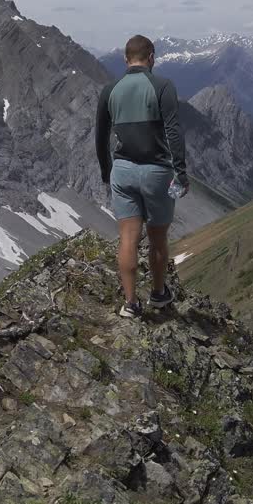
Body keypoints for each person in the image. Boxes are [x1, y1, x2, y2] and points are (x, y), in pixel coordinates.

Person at [95, 34, 189, 318]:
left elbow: (100, 136)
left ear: (126, 59)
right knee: (158, 238)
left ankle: (130, 303)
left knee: (127, 238)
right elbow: (174, 131)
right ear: (152, 58)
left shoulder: (110, 90)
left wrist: (105, 170)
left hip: (122, 171)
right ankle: (159, 295)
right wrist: (181, 172)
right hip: (156, 171)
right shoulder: (162, 86)